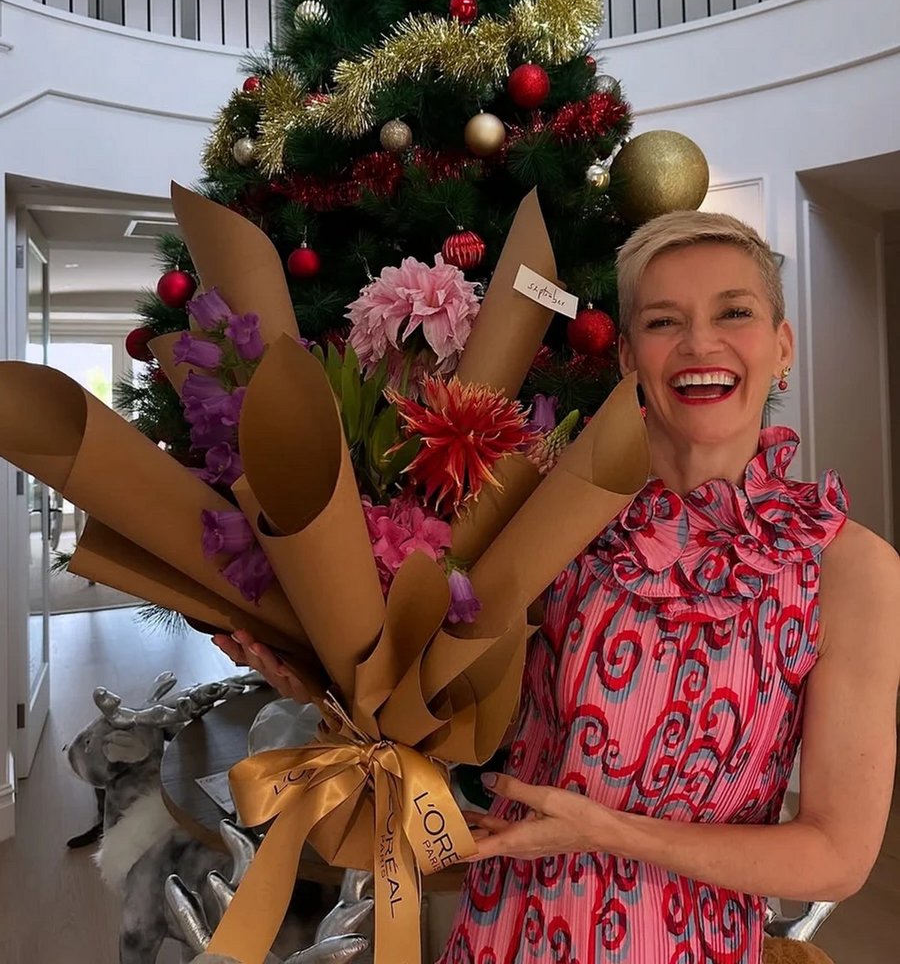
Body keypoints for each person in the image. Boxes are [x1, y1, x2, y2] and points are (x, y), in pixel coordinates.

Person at [215, 210, 900, 964]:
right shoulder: (546, 519)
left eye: (733, 312)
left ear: (781, 347)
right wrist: (326, 684)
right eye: (664, 320)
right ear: (628, 358)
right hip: (505, 936)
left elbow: (838, 854)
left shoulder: (846, 568)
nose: (701, 344)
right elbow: (430, 704)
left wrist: (606, 831)